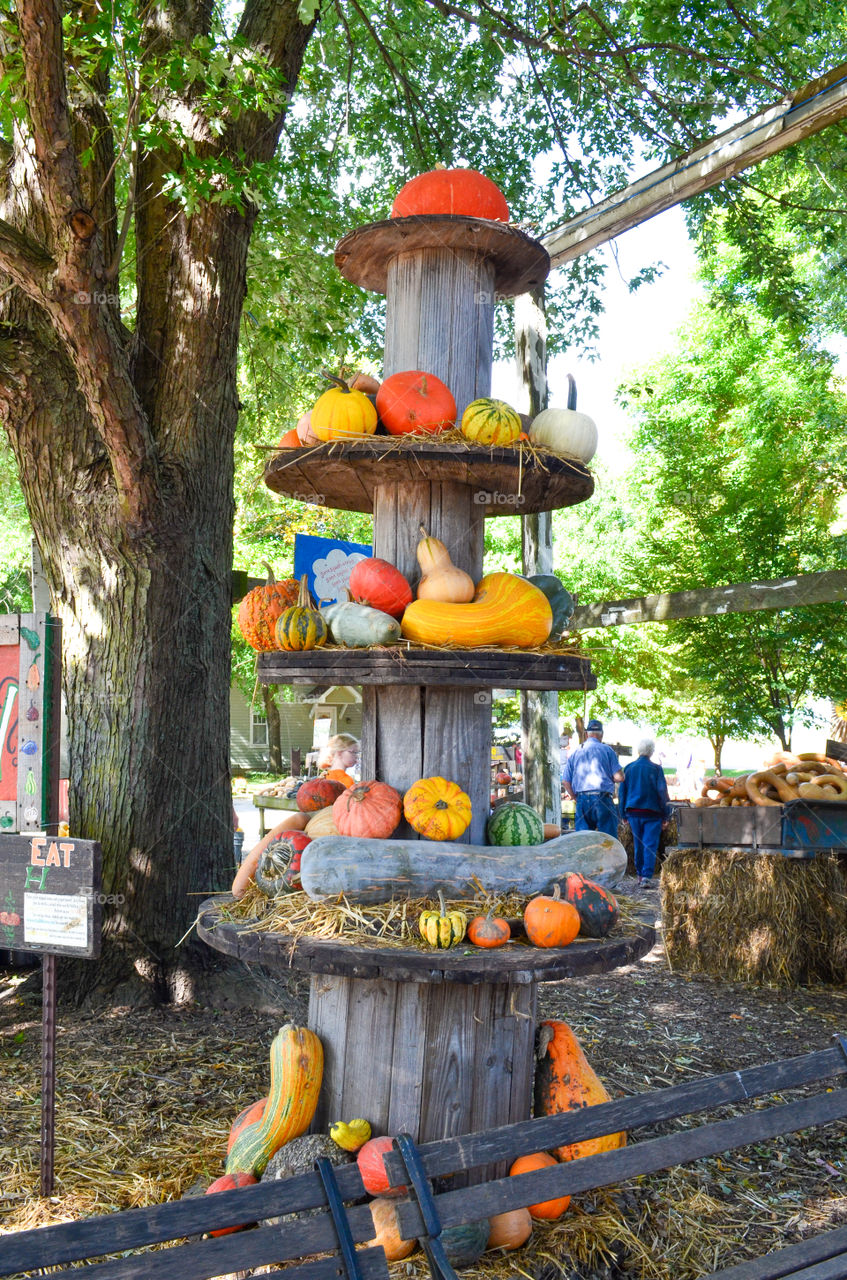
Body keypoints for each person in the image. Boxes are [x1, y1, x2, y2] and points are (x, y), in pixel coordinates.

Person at [618, 736, 672, 886]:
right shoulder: (656, 769)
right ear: (652, 751)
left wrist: (622, 813)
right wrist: (666, 814)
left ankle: (640, 875)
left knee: (638, 843)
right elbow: (662, 792)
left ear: (639, 750)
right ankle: (646, 876)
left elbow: (622, 792)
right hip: (652, 813)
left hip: (633, 811)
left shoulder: (628, 768)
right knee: (649, 844)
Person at [561, 719, 624, 837]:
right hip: (603, 799)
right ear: (602, 734)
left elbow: (565, 781)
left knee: (583, 842)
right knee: (608, 841)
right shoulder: (607, 750)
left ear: (586, 734)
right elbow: (619, 777)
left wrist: (575, 797)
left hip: (582, 800)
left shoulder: (576, 752)